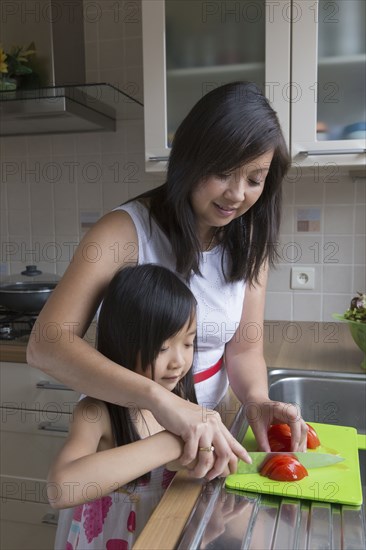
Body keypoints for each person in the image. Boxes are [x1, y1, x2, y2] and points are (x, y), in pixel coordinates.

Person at [27, 81, 308, 481]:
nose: (236, 194)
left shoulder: (248, 241)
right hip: (128, 443)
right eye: (223, 172)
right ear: (190, 160)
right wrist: (161, 402)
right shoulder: (123, 232)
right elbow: (45, 345)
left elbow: (244, 351)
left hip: (203, 449)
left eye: (255, 178)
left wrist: (257, 401)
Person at [48, 263, 210, 549]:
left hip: (163, 532)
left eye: (188, 343)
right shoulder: (96, 411)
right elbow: (61, 489)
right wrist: (172, 443)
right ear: (122, 342)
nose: (179, 362)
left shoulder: (180, 397)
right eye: (162, 348)